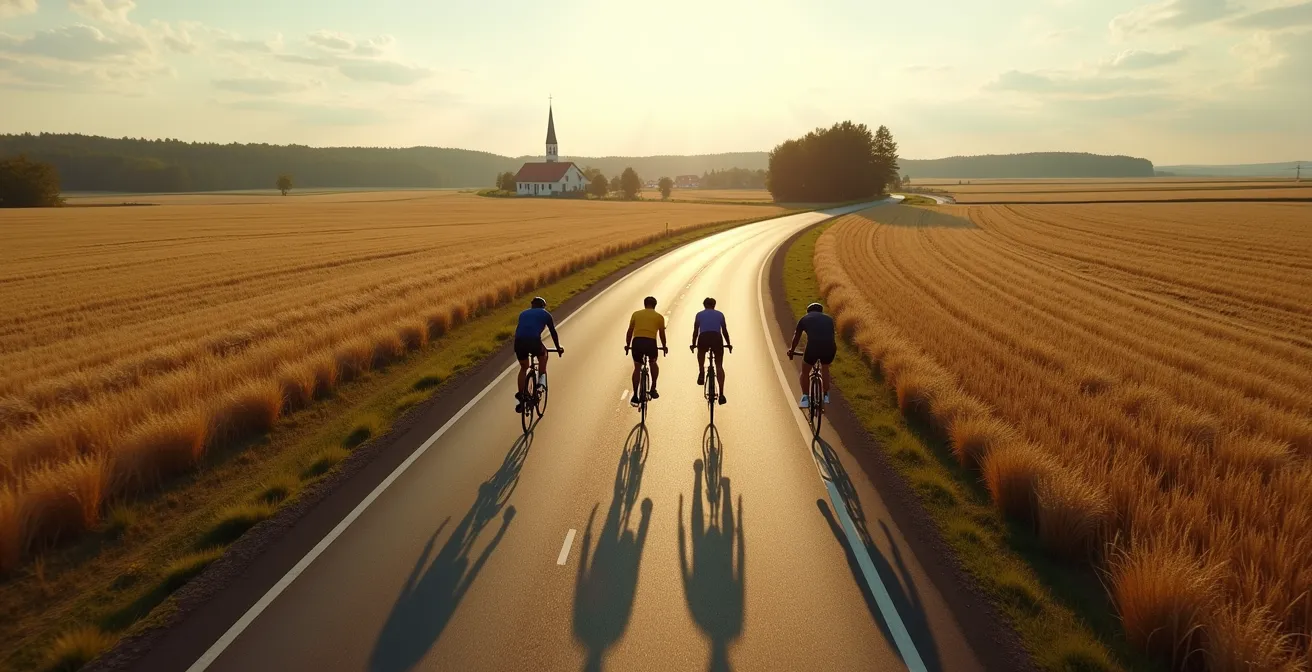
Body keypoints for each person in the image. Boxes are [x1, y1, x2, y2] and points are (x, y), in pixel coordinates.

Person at [514, 297, 562, 413]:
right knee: (543, 355)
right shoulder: (545, 314)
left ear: (532, 305)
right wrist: (558, 348)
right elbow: (553, 332)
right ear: (543, 306)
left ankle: (522, 395)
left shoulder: (523, 313)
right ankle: (541, 381)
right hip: (533, 341)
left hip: (518, 342)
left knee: (524, 367)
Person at [788, 302, 835, 408]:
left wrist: (792, 350)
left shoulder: (805, 319)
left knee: (805, 372)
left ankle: (805, 398)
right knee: (825, 368)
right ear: (821, 311)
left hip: (813, 347)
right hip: (830, 347)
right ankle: (826, 395)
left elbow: (796, 337)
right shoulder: (829, 319)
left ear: (808, 311)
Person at [625, 296, 667, 404]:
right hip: (650, 343)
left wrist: (627, 345)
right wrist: (664, 346)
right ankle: (653, 388)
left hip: (637, 342)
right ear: (655, 305)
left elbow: (630, 331)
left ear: (644, 304)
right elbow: (662, 334)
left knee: (637, 368)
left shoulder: (636, 314)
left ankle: (635, 395)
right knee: (653, 362)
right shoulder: (659, 317)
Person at [690, 297, 732, 405]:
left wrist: (693, 344)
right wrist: (728, 343)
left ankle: (701, 372)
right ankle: (722, 394)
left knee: (701, 352)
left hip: (703, 337)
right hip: (717, 337)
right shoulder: (720, 314)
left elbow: (695, 331)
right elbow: (724, 330)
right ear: (714, 305)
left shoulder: (699, 314)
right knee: (719, 365)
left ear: (704, 305)